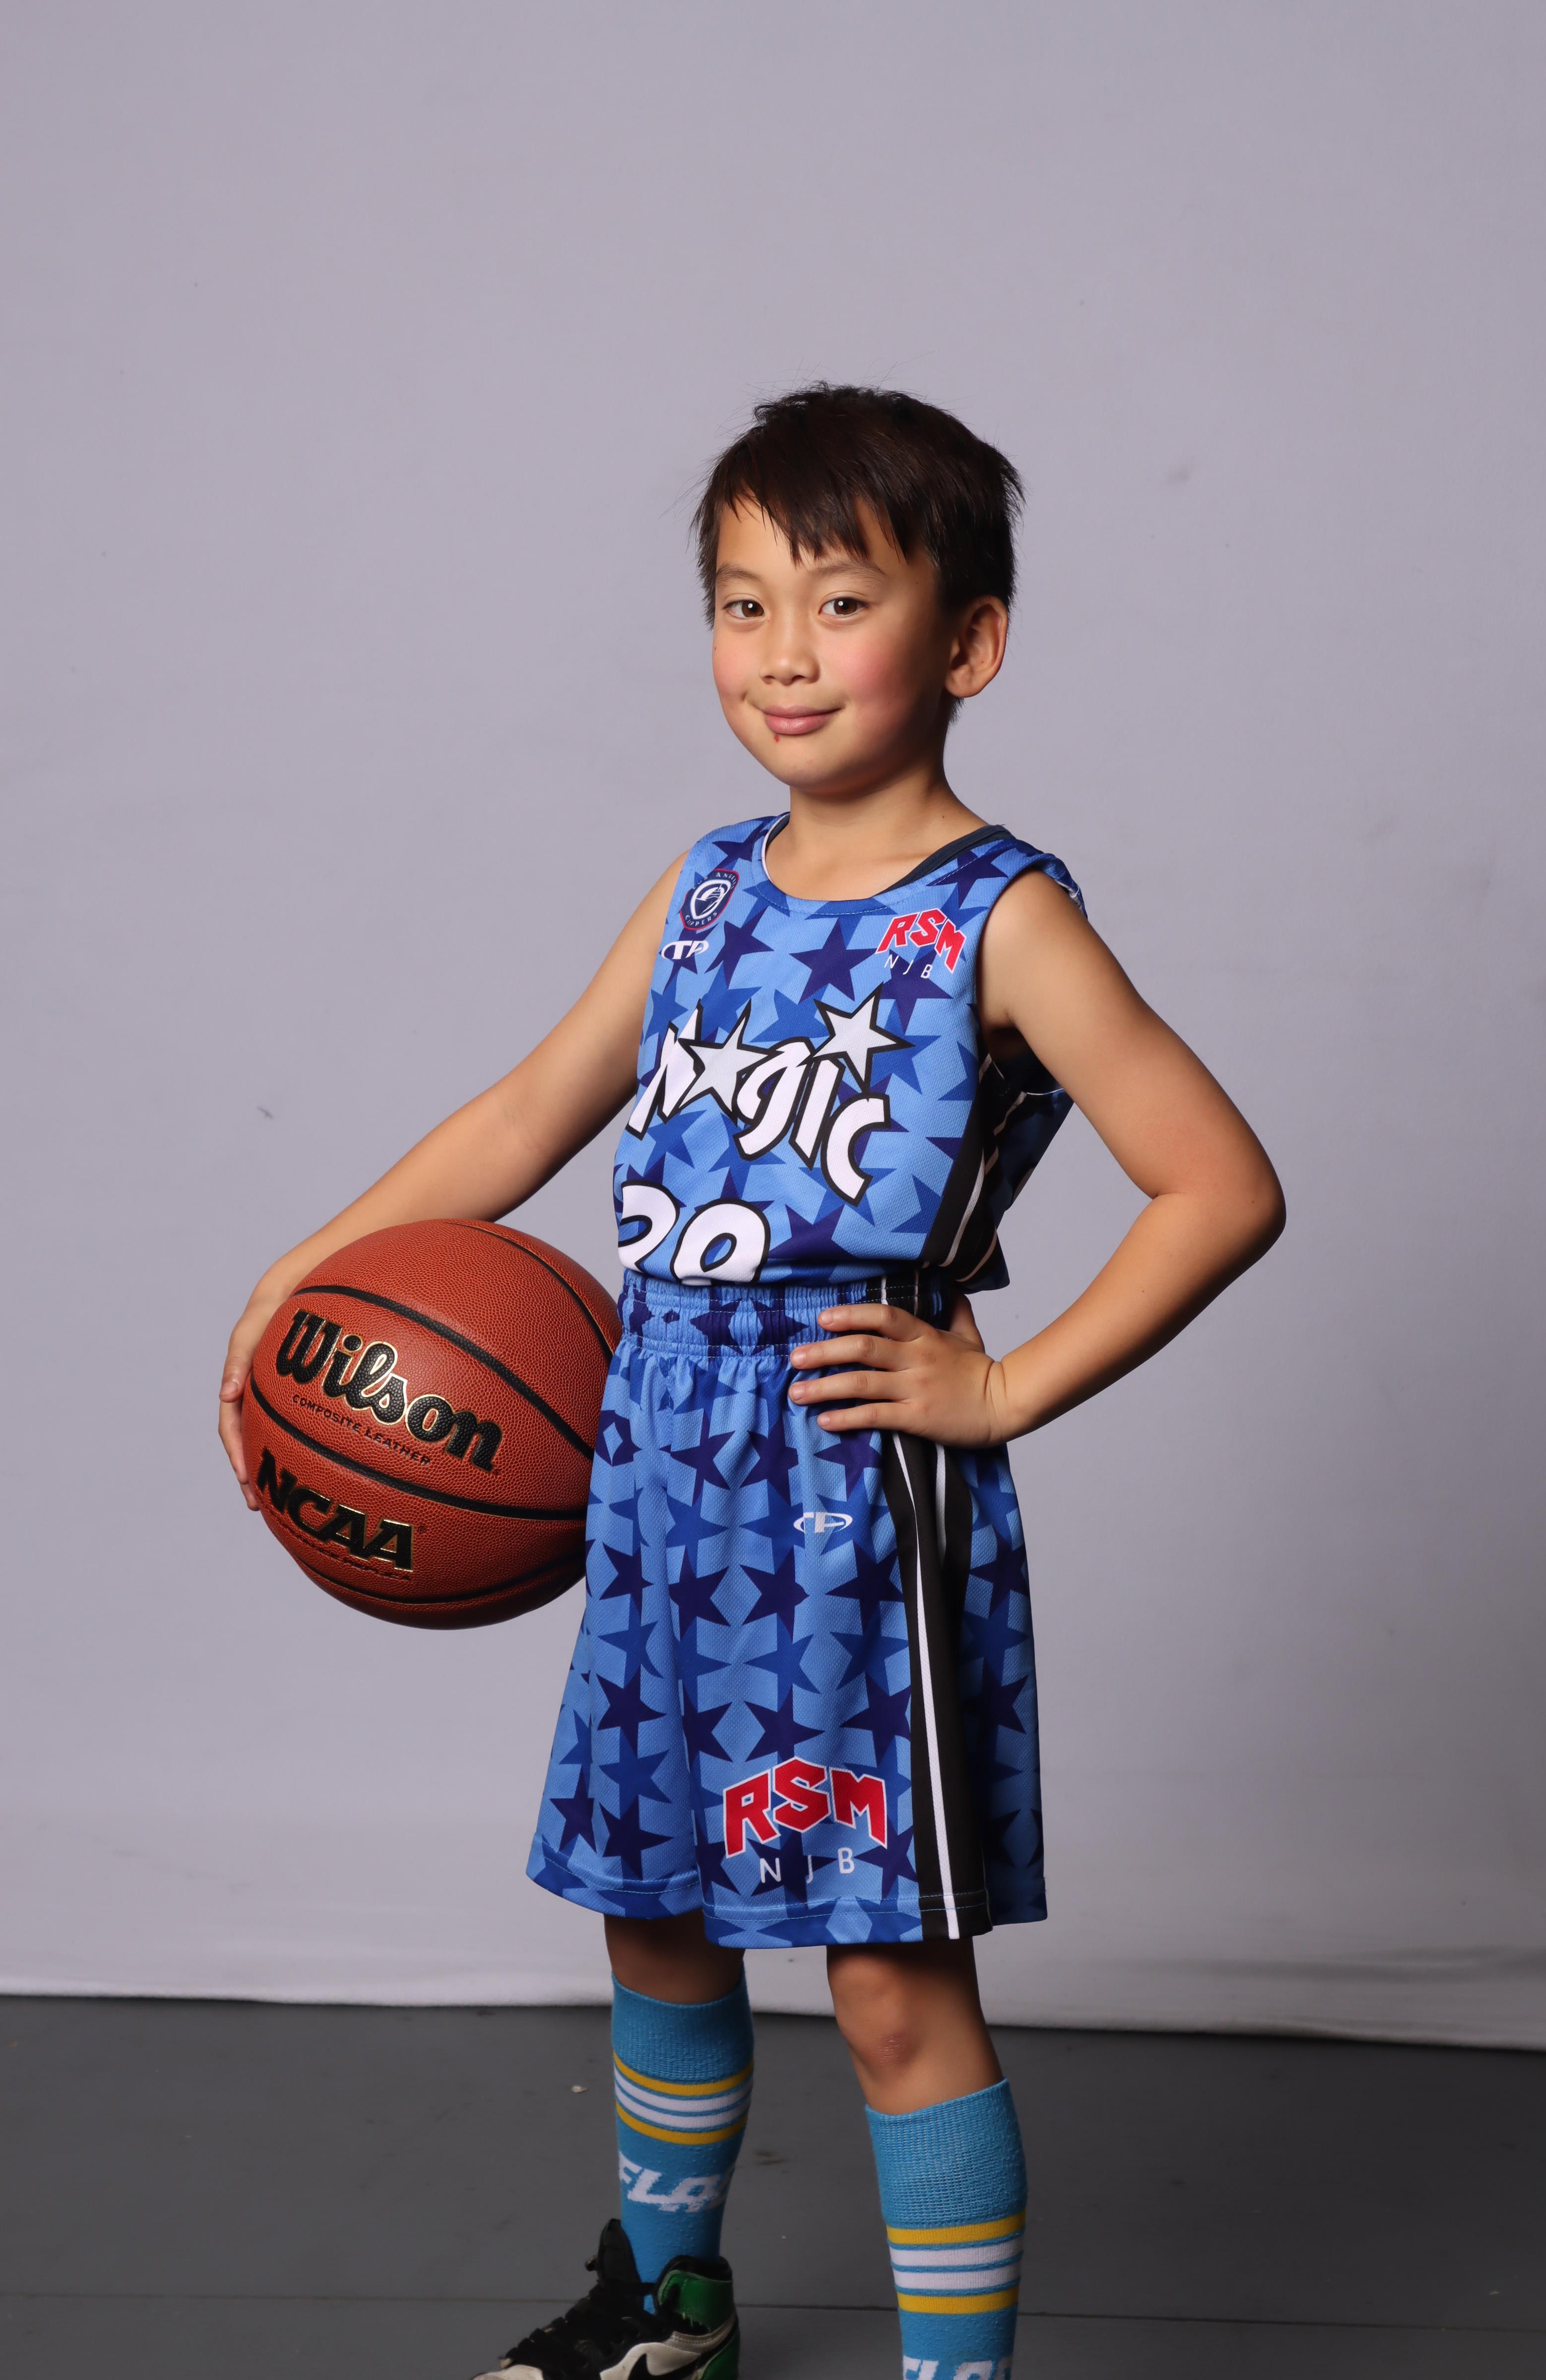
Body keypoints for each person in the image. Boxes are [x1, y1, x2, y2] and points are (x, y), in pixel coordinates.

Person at [219, 383, 1284, 2380]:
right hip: (654, 1467)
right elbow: (525, 1113)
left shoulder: (1000, 917)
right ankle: (669, 2305)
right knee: (652, 1916)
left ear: (966, 641)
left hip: (848, 1502)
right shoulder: (705, 888)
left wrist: (1004, 1389)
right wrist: (311, 1270)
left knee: (885, 1984)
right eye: (740, 603)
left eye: (839, 601)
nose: (782, 652)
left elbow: (1219, 1184)